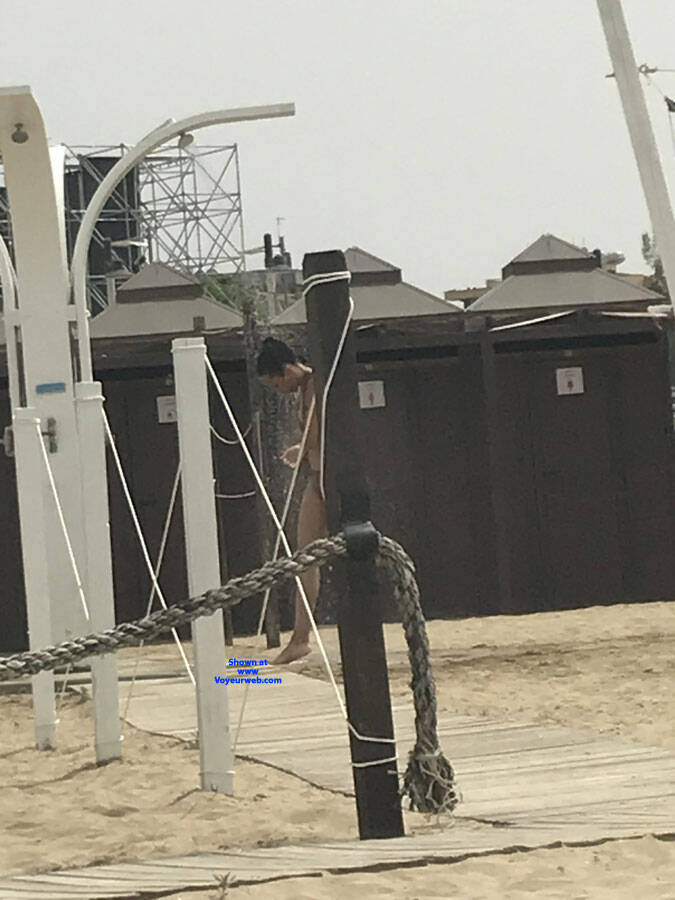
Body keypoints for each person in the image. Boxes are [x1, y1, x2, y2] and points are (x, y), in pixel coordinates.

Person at [257, 337, 328, 664]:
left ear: (286, 371)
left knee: (310, 555)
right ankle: (300, 637)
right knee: (306, 554)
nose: (277, 390)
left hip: (328, 479)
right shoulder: (305, 389)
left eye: (274, 383)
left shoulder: (315, 383)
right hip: (317, 477)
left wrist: (303, 448)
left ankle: (301, 636)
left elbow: (317, 433)